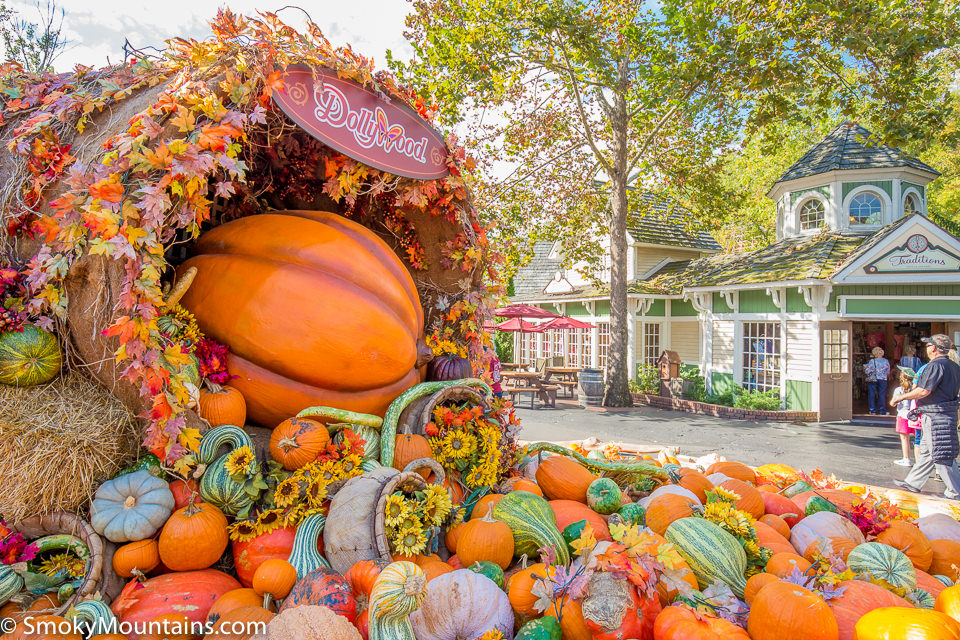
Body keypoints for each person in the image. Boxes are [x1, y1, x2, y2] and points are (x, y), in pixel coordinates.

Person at [893, 334, 960, 499]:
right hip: (945, 413)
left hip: (936, 416)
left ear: (934, 349)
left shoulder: (935, 366)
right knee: (926, 452)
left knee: (941, 453)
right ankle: (913, 482)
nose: (927, 348)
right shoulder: (954, 366)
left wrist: (900, 397)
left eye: (929, 345)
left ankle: (955, 489)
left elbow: (923, 391)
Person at [889, 371, 919, 466]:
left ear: (901, 378)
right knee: (918, 439)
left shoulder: (899, 390)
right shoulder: (916, 389)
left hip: (903, 415)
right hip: (914, 416)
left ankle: (907, 459)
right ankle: (920, 461)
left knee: (905, 439)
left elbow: (893, 403)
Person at [864, 346, 891, 415]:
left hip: (873, 379)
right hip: (883, 379)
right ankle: (882, 411)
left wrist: (866, 368)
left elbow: (867, 371)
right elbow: (888, 372)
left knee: (872, 394)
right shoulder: (886, 361)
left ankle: (872, 410)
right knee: (882, 395)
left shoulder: (872, 361)